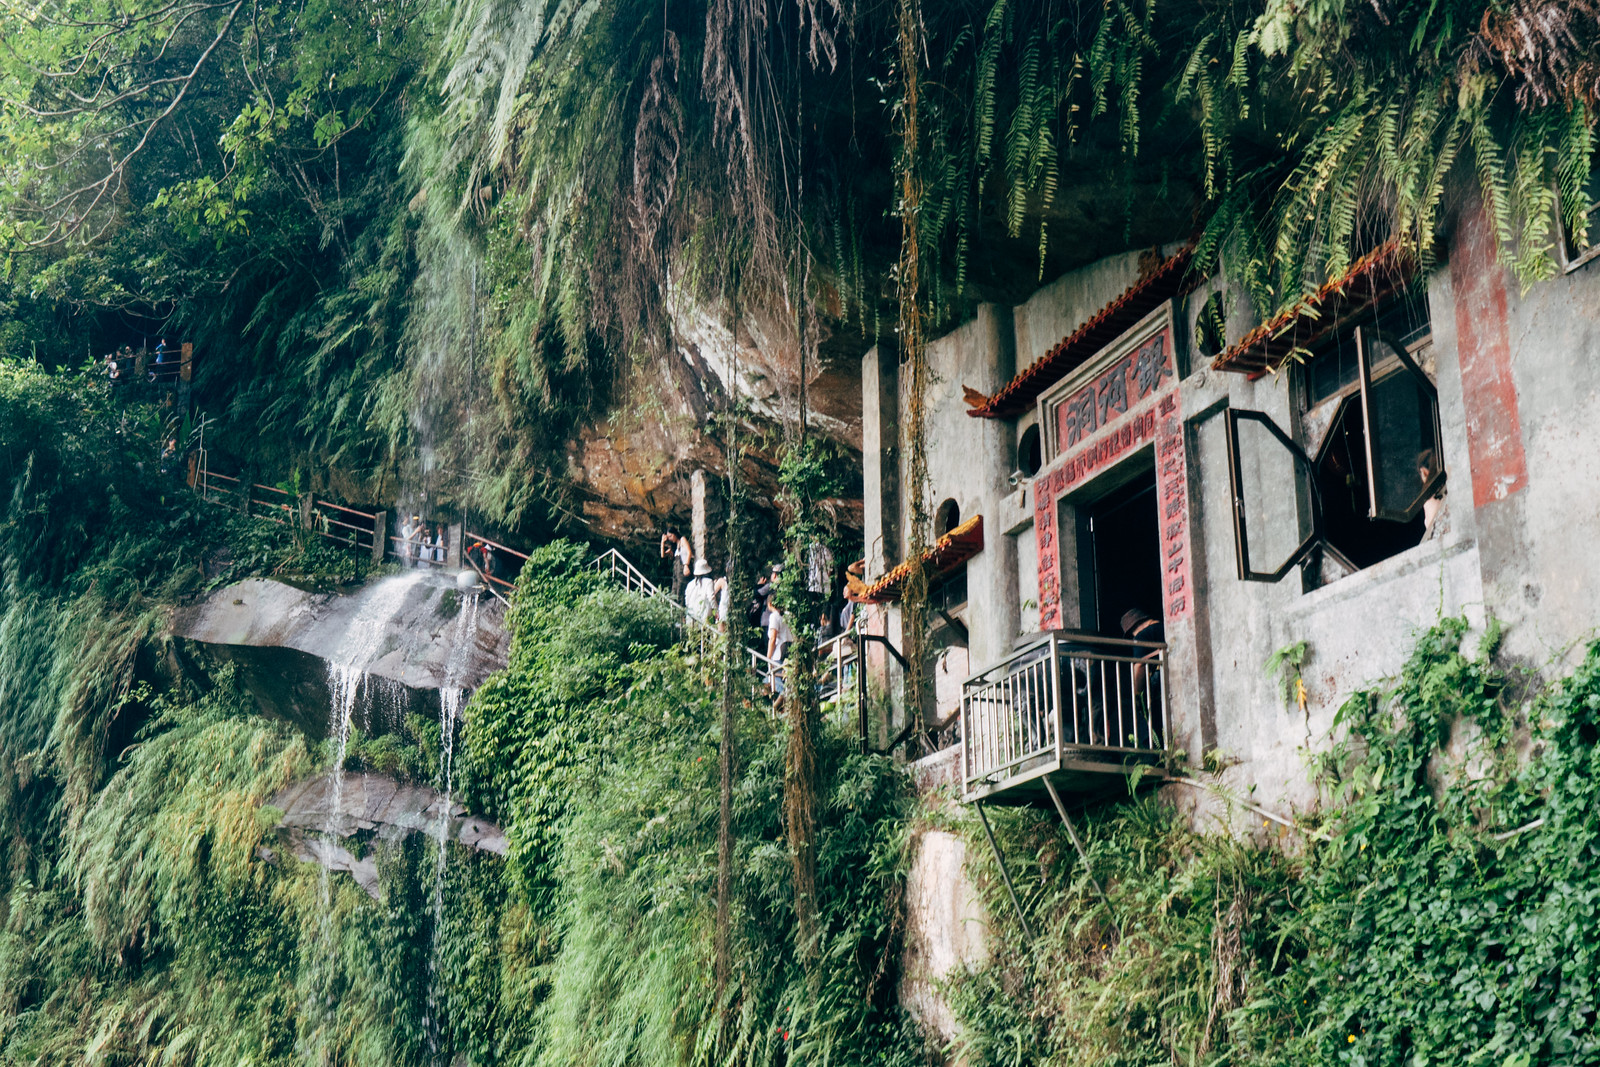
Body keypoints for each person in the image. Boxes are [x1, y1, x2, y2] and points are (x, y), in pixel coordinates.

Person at [766, 598, 795, 695]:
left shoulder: (774, 616)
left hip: (778, 653)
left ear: (770, 604)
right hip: (789, 650)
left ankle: (781, 704)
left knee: (776, 681)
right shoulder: (788, 615)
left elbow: (773, 638)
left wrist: (768, 657)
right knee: (787, 679)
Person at [685, 558, 716, 624]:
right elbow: (711, 597)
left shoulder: (690, 584)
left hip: (691, 615)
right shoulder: (709, 582)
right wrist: (716, 610)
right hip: (704, 615)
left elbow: (687, 601)